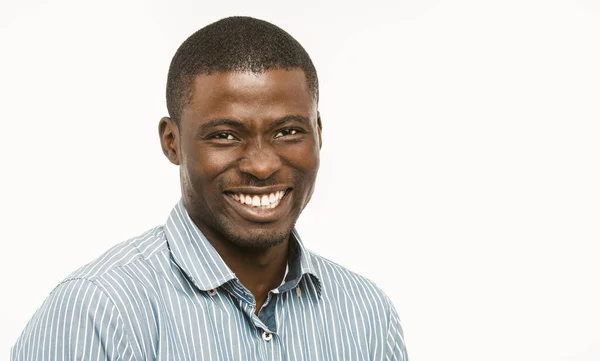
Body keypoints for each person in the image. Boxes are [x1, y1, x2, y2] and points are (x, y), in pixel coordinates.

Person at [11, 16, 408, 361]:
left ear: (318, 133)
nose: (263, 164)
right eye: (225, 135)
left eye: (288, 132)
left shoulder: (367, 315)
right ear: (172, 141)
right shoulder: (97, 313)